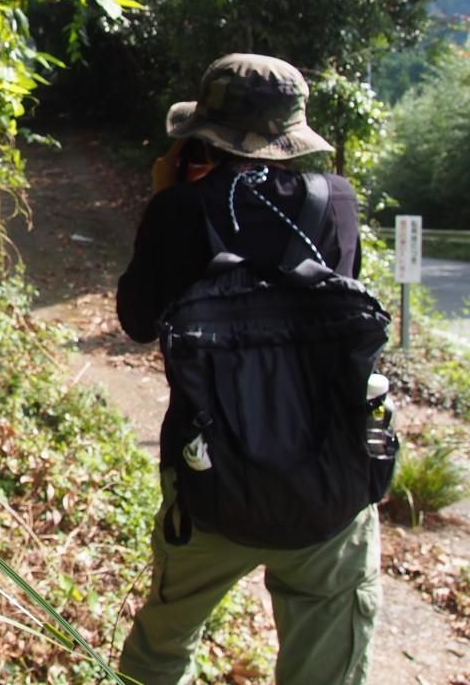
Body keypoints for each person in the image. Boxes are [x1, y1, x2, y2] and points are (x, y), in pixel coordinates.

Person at [115, 54, 380, 685]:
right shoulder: (336, 203)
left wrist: (165, 200)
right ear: (291, 135)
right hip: (328, 492)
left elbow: (137, 321)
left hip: (212, 486)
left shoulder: (179, 211)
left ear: (204, 135)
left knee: (162, 649)